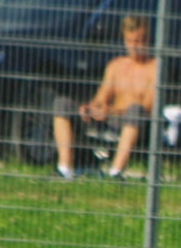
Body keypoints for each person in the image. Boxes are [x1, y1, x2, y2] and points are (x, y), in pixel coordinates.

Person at [51, 14, 156, 180]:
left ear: (147, 40)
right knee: (62, 104)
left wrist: (111, 111)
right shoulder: (116, 65)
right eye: (129, 41)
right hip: (109, 119)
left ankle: (115, 172)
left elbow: (148, 107)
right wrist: (91, 108)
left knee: (135, 110)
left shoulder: (154, 68)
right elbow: (101, 98)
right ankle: (65, 168)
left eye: (138, 41)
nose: (133, 46)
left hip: (135, 123)